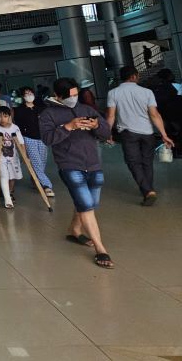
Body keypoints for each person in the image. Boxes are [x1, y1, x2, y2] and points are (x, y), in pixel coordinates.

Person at [40, 77, 115, 269]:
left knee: (89, 203)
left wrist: (97, 126)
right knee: (86, 205)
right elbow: (48, 139)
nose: (74, 98)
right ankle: (100, 249)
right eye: (70, 96)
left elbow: (106, 133)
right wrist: (68, 127)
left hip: (92, 162)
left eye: (76, 94)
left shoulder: (87, 110)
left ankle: (74, 229)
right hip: (69, 164)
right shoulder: (48, 114)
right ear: (58, 96)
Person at [106, 66, 175, 206]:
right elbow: (154, 114)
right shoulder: (147, 92)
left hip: (128, 133)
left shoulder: (113, 93)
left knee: (133, 162)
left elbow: (111, 115)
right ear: (134, 76)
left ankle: (148, 190)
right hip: (147, 133)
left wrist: (107, 133)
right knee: (147, 162)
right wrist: (164, 134)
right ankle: (148, 189)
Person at [13, 86, 54, 197]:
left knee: (42, 162)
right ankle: (47, 186)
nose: (29, 95)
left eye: (30, 93)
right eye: (26, 93)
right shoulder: (19, 110)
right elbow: (18, 127)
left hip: (42, 138)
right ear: (22, 96)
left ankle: (36, 180)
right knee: (36, 162)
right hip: (28, 138)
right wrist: (21, 144)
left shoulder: (41, 109)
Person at [0, 106, 30, 209]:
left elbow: (21, 143)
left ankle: (10, 193)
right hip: (1, 156)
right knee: (4, 176)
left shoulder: (15, 128)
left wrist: (25, 156)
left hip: (13, 156)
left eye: (5, 116)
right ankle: (7, 199)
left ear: (9, 117)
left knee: (12, 177)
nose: (2, 119)